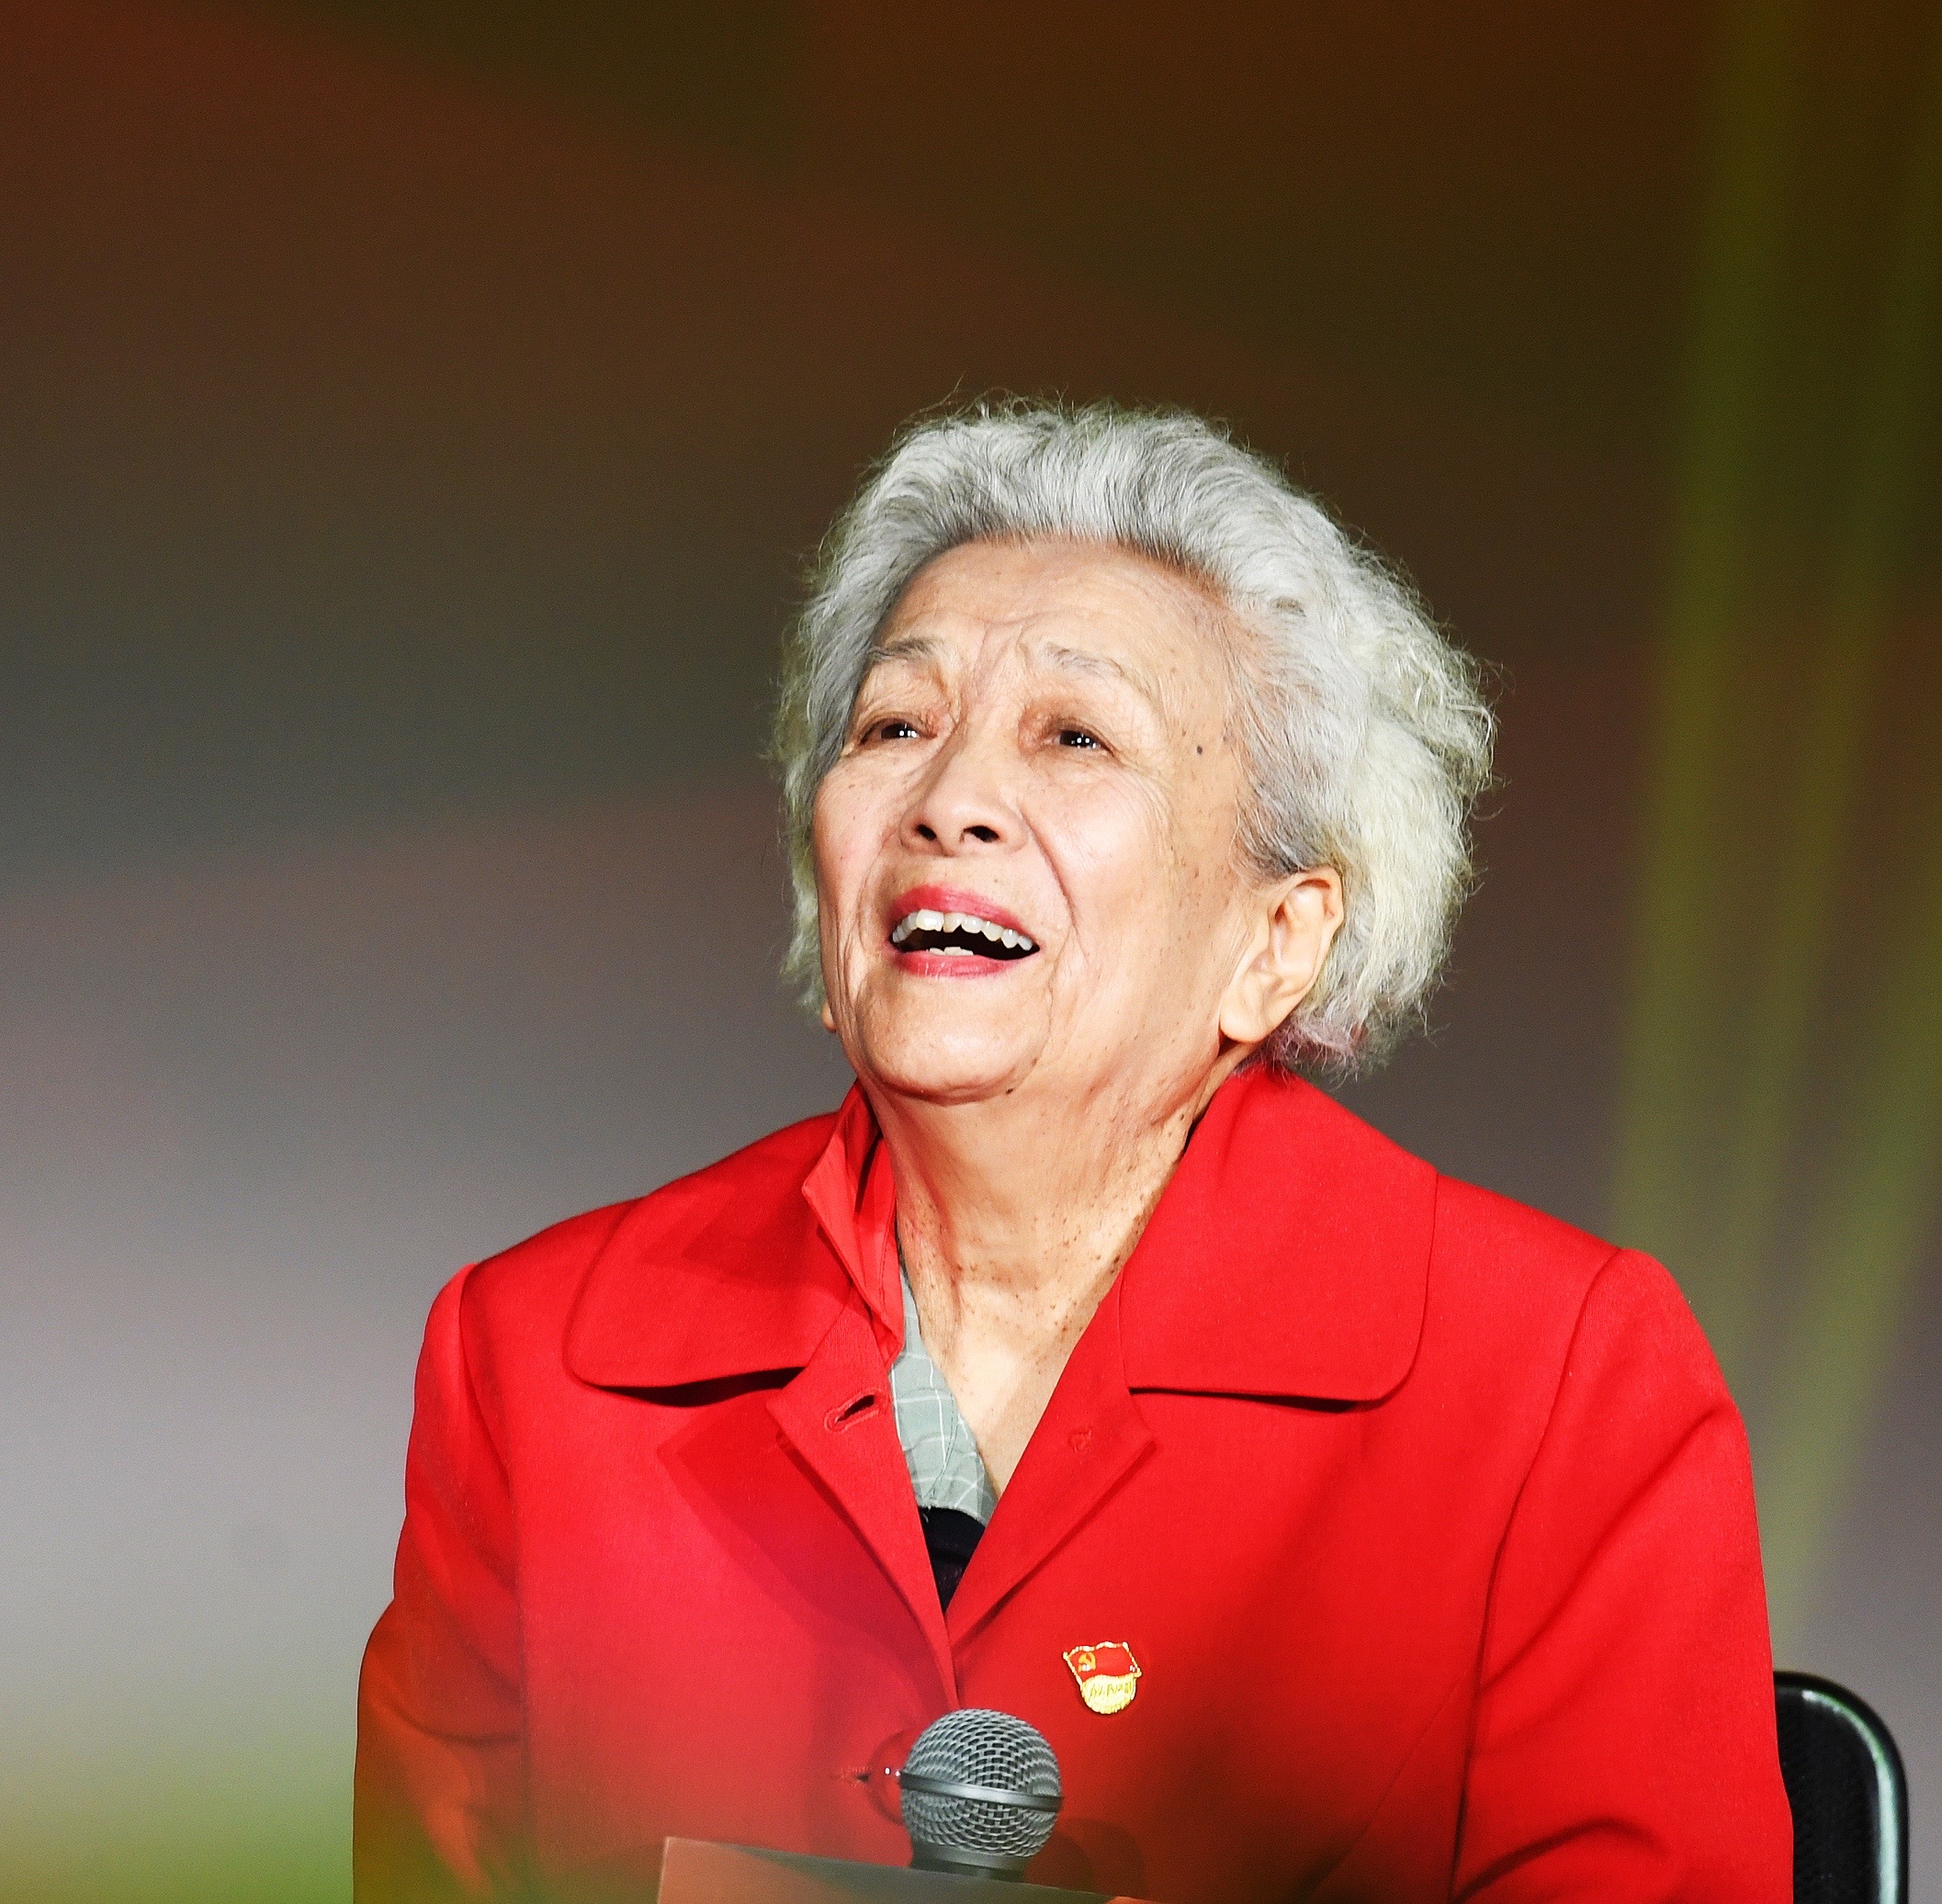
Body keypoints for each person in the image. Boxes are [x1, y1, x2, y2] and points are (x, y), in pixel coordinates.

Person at [355, 404, 1791, 1901]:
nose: (948, 803)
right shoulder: (536, 1357)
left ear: (1275, 939)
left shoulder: (1558, 1381)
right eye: (895, 727)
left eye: (1074, 737)